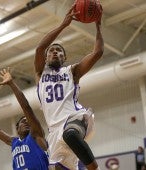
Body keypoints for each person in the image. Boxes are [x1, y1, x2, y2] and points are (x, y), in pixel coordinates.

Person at [34, 3, 103, 170]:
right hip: (54, 131)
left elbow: (97, 53)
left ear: (64, 57)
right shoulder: (40, 73)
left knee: (70, 134)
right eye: (52, 51)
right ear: (47, 56)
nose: (55, 52)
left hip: (75, 119)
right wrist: (63, 25)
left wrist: (98, 25)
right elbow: (40, 47)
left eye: (59, 51)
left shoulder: (72, 71)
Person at [0, 68, 49, 169]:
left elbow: (26, 107)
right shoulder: (14, 142)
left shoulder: (36, 135)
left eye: (29, 121)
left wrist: (12, 84)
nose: (27, 122)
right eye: (23, 121)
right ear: (17, 128)